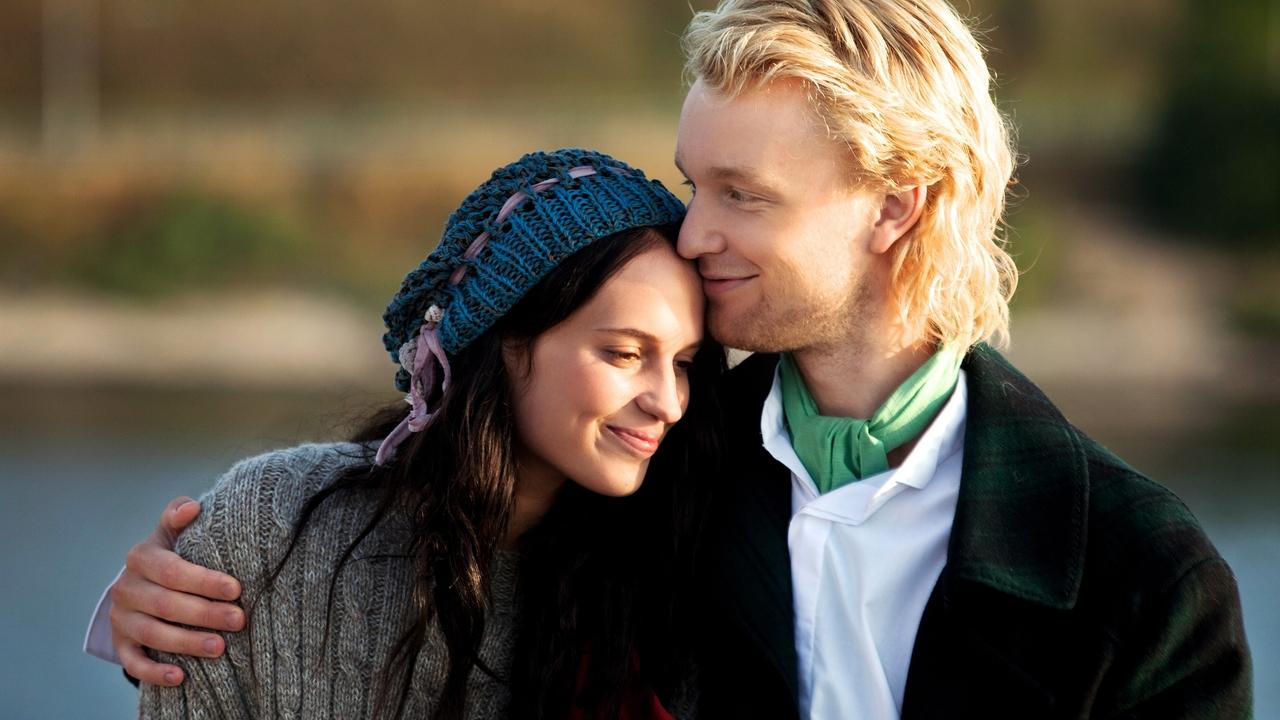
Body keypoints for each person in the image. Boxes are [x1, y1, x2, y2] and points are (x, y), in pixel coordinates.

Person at [91, 1, 1254, 718]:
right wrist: (160, 591)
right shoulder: (668, 478)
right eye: (695, 181)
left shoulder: (1140, 577)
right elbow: (435, 545)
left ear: (895, 209)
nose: (693, 232)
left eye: (742, 195)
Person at [96, 147, 722, 719]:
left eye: (684, 363)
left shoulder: (681, 576)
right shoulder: (271, 528)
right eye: (623, 353)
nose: (668, 402)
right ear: (507, 337)